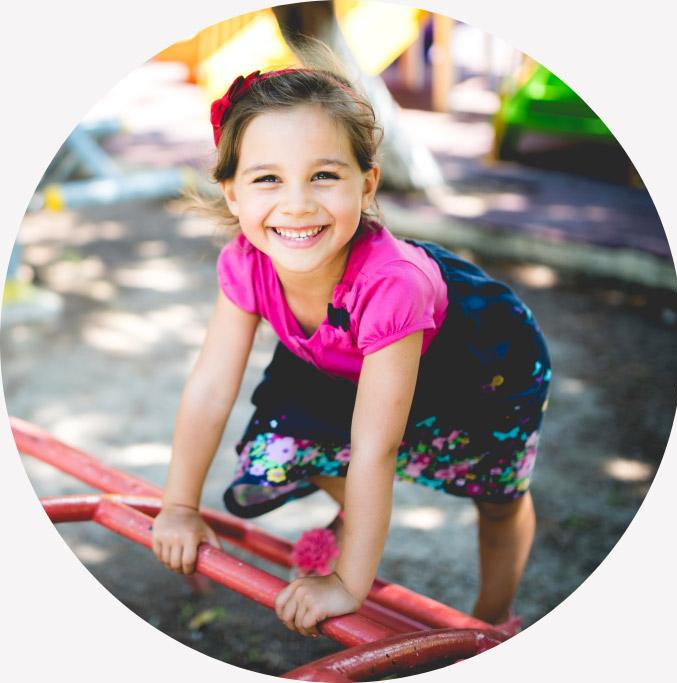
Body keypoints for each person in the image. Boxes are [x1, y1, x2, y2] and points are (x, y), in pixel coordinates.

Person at [151, 53, 551, 640]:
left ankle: (493, 622)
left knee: (495, 497)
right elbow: (212, 388)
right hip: (344, 359)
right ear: (232, 193)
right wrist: (179, 506)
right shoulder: (246, 261)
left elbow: (375, 444)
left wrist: (346, 583)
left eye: (323, 175)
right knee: (276, 452)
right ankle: (355, 515)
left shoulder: (392, 284)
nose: (297, 204)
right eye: (267, 178)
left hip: (483, 370)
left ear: (365, 185)